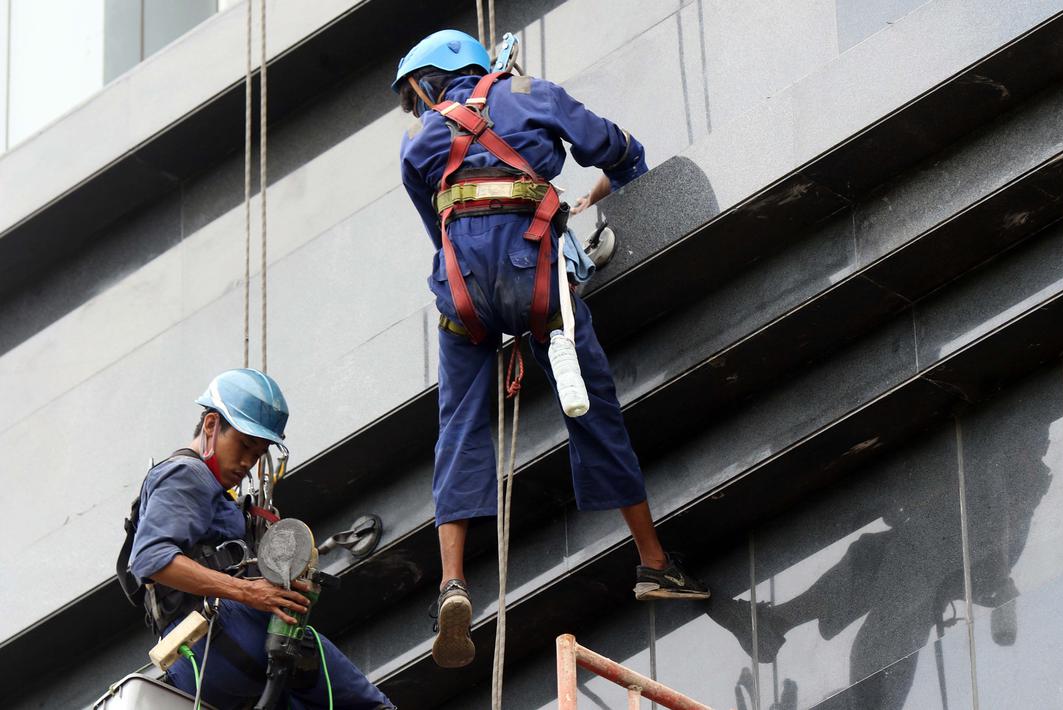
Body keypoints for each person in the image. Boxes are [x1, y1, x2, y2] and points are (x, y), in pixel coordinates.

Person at [393, 29, 710, 670]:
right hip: (538, 285)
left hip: (464, 300)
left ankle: (453, 583)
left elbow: (441, 233)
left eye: (414, 95)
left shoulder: (418, 143)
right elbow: (618, 148)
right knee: (593, 410)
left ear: (428, 84)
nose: (416, 107)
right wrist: (624, 188)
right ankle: (654, 562)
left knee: (458, 427)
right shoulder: (533, 93)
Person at [127, 368, 394, 709]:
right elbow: (151, 559)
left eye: (257, 453)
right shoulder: (186, 473)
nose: (247, 462)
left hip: (198, 666)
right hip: (228, 631)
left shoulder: (215, 494)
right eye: (243, 445)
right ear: (211, 425)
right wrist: (249, 592)